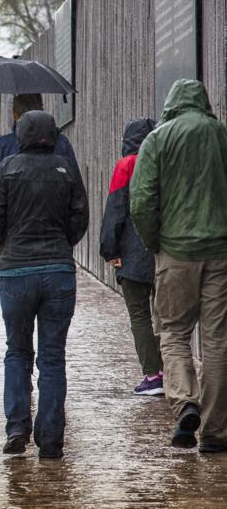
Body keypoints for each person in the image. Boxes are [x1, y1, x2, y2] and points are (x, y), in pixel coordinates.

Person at [130, 79, 227, 452]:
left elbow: (141, 201)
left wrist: (155, 242)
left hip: (175, 252)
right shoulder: (220, 135)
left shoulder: (158, 139)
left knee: (173, 332)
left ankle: (186, 402)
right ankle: (216, 430)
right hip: (220, 252)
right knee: (218, 339)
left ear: (171, 103)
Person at [0, 111, 88, 459]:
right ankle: (52, 439)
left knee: (17, 351)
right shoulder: (65, 168)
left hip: (16, 272)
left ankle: (16, 426)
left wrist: (7, 246)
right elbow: (80, 218)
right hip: (58, 270)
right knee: (53, 358)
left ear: (21, 134)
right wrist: (61, 243)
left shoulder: (8, 167)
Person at [99, 117, 163, 396]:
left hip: (133, 255)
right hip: (165, 252)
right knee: (167, 317)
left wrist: (109, 250)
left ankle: (153, 375)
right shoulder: (165, 163)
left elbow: (115, 211)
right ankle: (173, 372)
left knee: (140, 316)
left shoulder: (127, 165)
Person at [0, 94, 78, 196]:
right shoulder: (62, 143)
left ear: (14, 115)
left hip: (15, 211)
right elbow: (75, 184)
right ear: (41, 110)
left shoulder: (4, 145)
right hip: (56, 211)